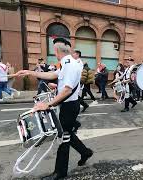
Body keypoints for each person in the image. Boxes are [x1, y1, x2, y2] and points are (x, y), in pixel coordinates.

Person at [17, 38, 93, 179]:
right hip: (68, 105)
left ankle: (60, 172)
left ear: (56, 51)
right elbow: (53, 75)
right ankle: (85, 152)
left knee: (63, 137)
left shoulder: (70, 65)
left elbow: (67, 90)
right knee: (67, 134)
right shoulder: (67, 63)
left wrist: (48, 104)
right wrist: (30, 72)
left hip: (69, 106)